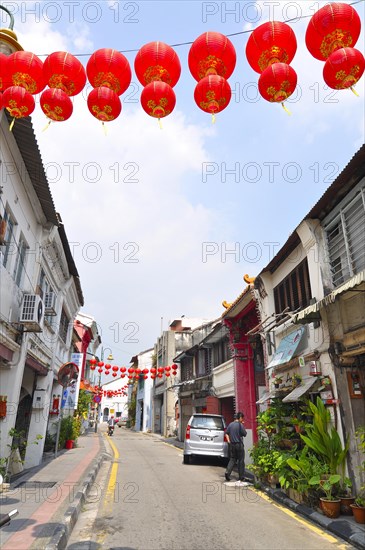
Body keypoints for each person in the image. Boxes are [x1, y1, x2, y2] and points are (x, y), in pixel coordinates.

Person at [224, 411, 247, 484]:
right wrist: (243, 426)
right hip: (239, 445)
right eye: (242, 418)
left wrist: (229, 441)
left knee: (232, 459)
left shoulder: (230, 424)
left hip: (232, 445)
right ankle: (241, 477)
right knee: (241, 460)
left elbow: (226, 434)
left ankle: (227, 472)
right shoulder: (240, 425)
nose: (242, 420)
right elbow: (245, 434)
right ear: (240, 418)